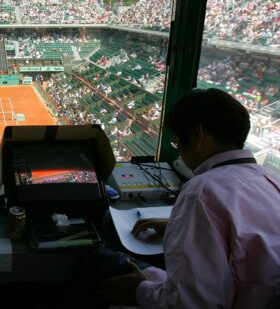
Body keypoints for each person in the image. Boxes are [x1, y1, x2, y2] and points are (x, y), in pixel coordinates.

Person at [96, 88, 280, 308]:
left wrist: (140, 289)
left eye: (176, 141)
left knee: (101, 259)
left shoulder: (201, 191)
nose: (179, 151)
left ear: (196, 135)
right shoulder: (271, 178)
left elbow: (192, 303)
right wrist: (177, 226)